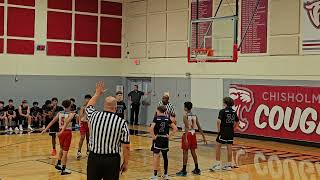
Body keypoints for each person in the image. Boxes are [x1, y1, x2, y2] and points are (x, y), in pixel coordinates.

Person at [86, 81, 130, 180]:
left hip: (94, 158)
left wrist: (97, 94)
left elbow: (89, 106)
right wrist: (126, 163)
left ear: (104, 105)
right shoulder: (122, 122)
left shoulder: (94, 116)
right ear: (115, 108)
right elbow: (126, 146)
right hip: (112, 160)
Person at [41, 99, 76, 175]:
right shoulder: (71, 114)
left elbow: (52, 121)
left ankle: (58, 163)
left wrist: (45, 129)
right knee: (65, 152)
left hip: (60, 131)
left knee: (61, 149)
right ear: (70, 105)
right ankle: (64, 169)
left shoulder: (59, 113)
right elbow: (67, 123)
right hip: (66, 132)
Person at [176, 101, 207, 176]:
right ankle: (197, 169)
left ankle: (184, 171)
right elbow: (199, 127)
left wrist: (186, 138)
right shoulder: (194, 115)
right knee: (193, 152)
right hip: (193, 134)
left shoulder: (185, 115)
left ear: (185, 107)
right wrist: (204, 137)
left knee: (185, 152)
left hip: (188, 134)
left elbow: (187, 127)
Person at [211, 97, 239, 171]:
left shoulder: (222, 111)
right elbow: (237, 122)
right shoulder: (233, 111)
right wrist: (234, 127)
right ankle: (229, 165)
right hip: (230, 130)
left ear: (225, 103)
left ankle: (217, 164)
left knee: (218, 145)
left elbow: (218, 121)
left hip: (223, 130)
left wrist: (218, 130)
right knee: (229, 146)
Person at [150, 106, 178, 180]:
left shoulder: (156, 118)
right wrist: (169, 136)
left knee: (156, 156)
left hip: (158, 138)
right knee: (165, 157)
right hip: (165, 139)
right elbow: (175, 128)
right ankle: (166, 174)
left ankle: (155, 175)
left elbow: (151, 128)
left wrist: (153, 136)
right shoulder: (167, 118)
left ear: (158, 110)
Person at [76, 94, 92, 159]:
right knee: (82, 137)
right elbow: (81, 116)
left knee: (88, 138)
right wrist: (79, 122)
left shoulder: (92, 107)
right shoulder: (83, 107)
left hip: (89, 124)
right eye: (87, 99)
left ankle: (88, 150)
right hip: (83, 124)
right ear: (85, 100)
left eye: (89, 99)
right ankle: (79, 151)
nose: (88, 100)